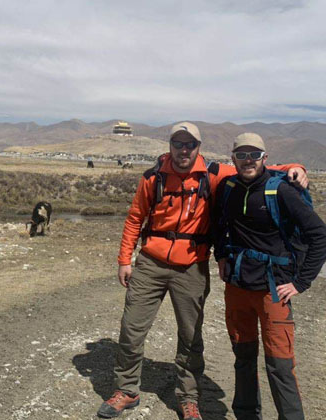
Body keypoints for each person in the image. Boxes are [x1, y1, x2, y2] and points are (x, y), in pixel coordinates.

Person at [97, 123, 308, 420]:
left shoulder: (213, 173)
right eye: (178, 144)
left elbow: (255, 166)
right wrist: (124, 259)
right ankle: (127, 390)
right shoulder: (152, 178)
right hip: (150, 263)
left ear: (198, 147)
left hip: (191, 266)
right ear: (169, 145)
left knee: (190, 335)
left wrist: (293, 167)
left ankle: (188, 397)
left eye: (190, 145)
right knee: (131, 329)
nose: (184, 150)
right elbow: (135, 218)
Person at [213, 133, 326, 420]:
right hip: (238, 287)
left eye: (254, 154)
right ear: (233, 159)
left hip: (273, 288)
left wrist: (302, 282)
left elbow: (321, 236)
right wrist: (220, 257)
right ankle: (246, 415)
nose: (248, 160)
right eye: (242, 155)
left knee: (279, 364)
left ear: (264, 157)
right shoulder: (227, 188)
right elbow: (218, 225)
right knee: (243, 357)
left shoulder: (281, 191)